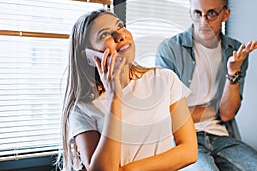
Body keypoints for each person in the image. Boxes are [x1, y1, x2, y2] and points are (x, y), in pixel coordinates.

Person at [156, 0, 257, 171]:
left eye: (211, 13)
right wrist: (210, 109)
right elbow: (167, 116)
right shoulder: (170, 49)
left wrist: (232, 72)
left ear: (225, 14)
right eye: (197, 13)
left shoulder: (234, 51)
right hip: (183, 140)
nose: (203, 22)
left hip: (223, 137)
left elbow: (226, 113)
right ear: (190, 12)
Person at [58, 9, 197, 171]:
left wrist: (128, 170)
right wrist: (114, 97)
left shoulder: (164, 79)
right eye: (104, 35)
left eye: (120, 26)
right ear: (89, 56)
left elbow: (189, 151)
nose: (120, 35)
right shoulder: (81, 109)